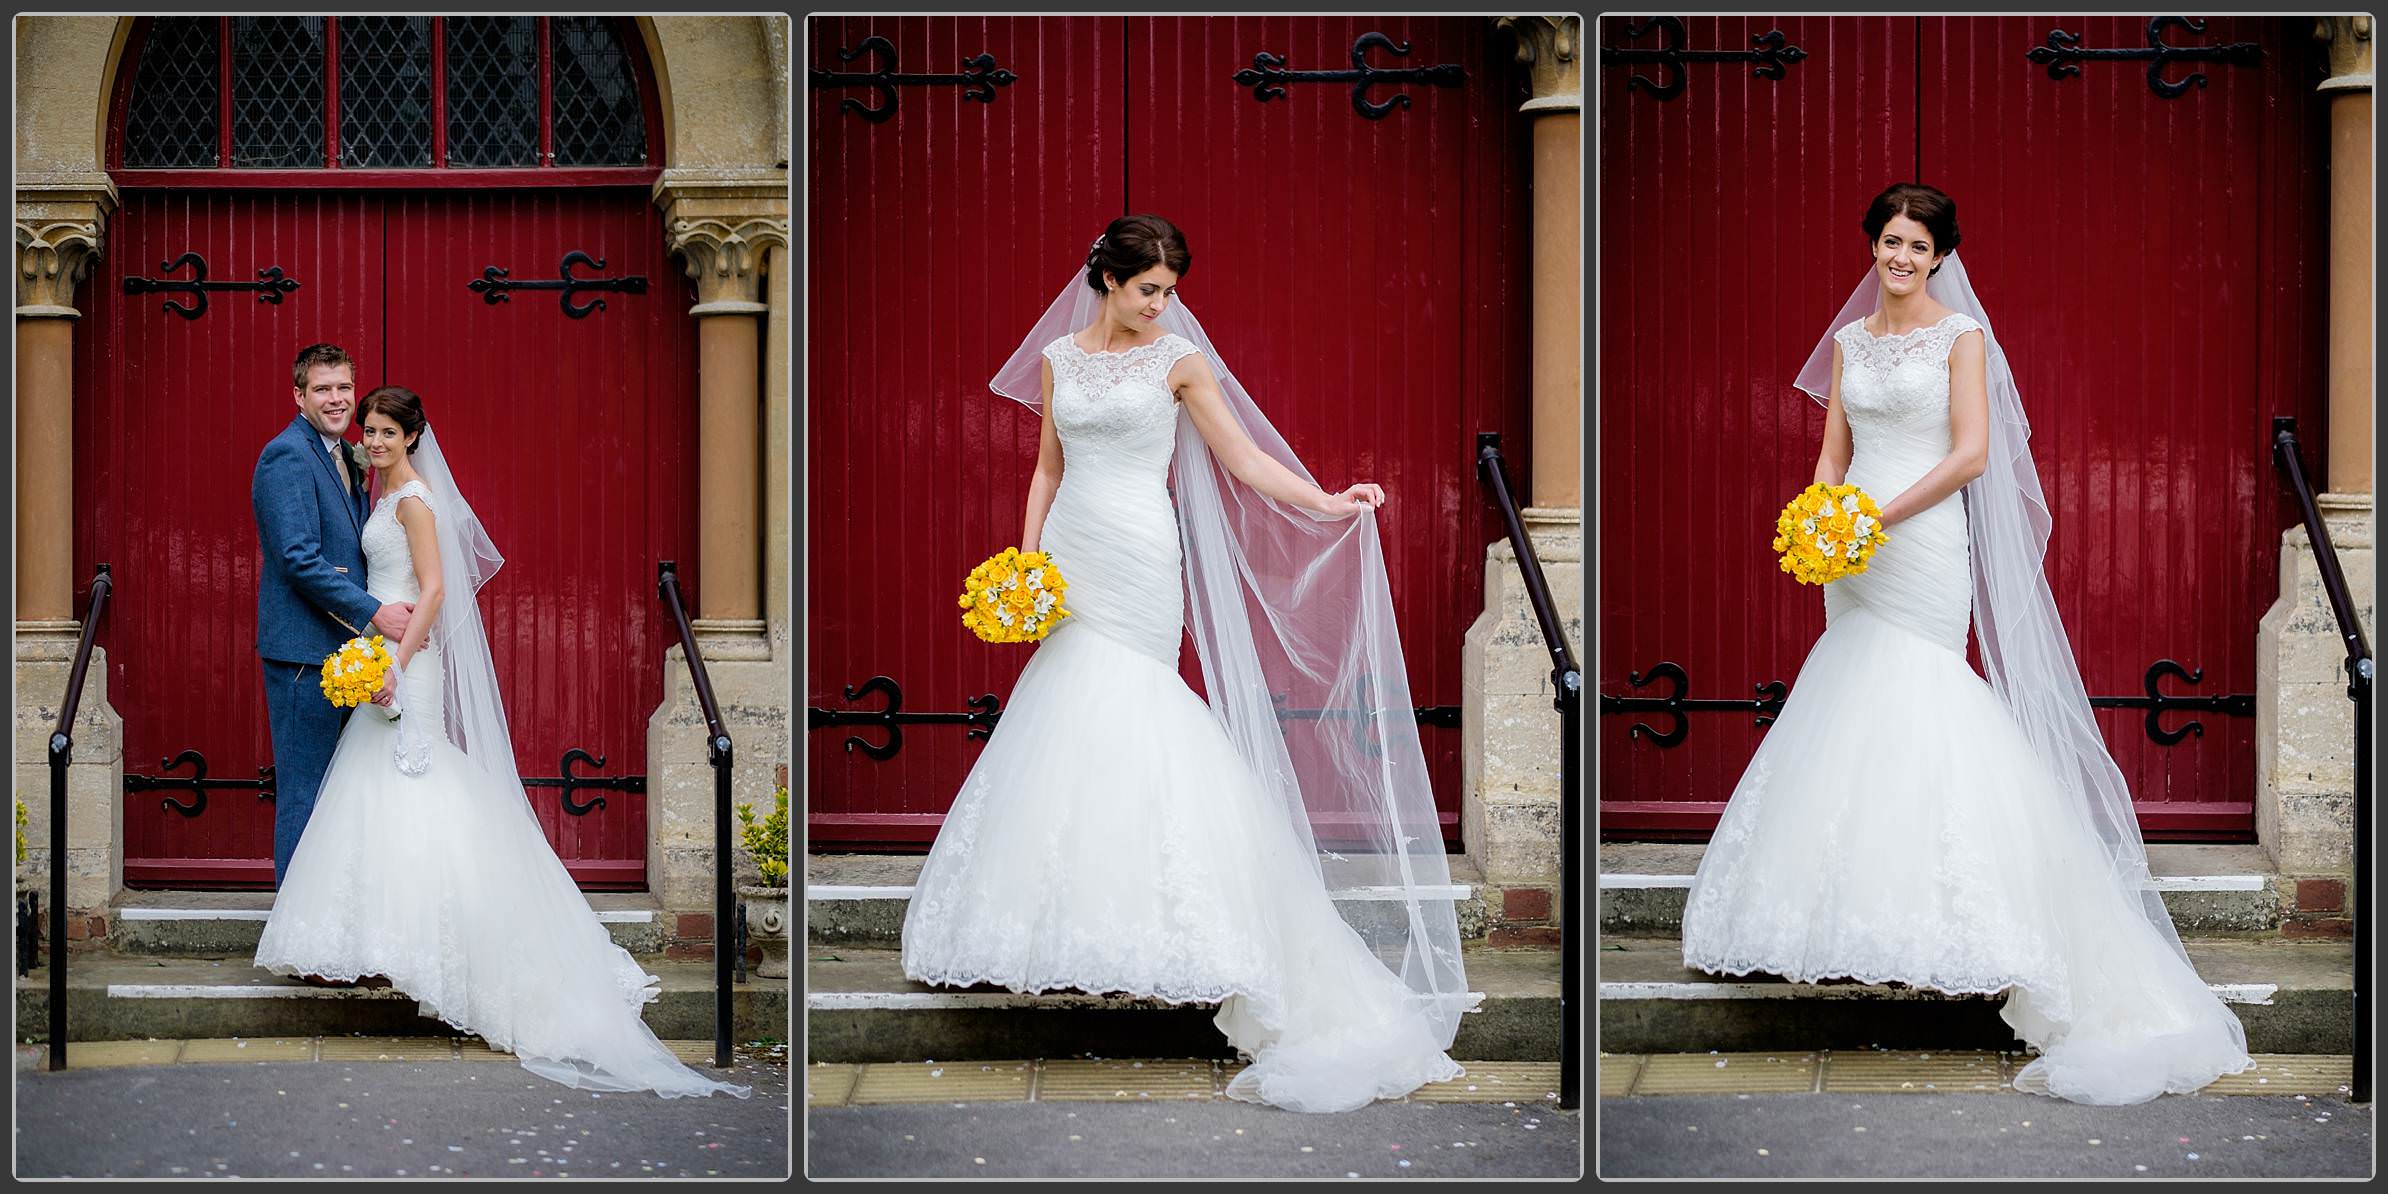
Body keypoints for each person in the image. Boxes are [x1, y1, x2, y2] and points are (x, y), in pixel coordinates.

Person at [1679, 182, 2255, 1105]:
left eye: (1917, 246)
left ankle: (1964, 917)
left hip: (1923, 535)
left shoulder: (1962, 337)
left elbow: (1972, 454)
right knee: (1850, 691)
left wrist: (1877, 514)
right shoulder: (1850, 343)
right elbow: (1834, 445)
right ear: (1871, 247)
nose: (1900, 258)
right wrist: (1827, 512)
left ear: (1942, 256)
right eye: (1888, 243)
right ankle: (1849, 917)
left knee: (1925, 691)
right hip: (1854, 543)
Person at [899, 215, 1481, 1114]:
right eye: (1148, 290)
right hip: (1072, 552)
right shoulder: (1060, 357)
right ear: (1107, 280)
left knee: (1135, 705)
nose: (1161, 304)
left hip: (1138, 553)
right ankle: (1064, 931)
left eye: (1168, 290)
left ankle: (1173, 929)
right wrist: (1027, 562)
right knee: (1066, 711)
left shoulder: (1176, 360)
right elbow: (1047, 467)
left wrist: (1329, 500)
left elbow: (1242, 457)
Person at [254, 385, 751, 1099]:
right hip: (381, 662)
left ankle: (444, 950)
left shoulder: (416, 500)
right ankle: (383, 945)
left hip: (405, 667)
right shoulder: (374, 491)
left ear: (414, 437)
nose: (375, 440)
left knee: (412, 792)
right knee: (380, 798)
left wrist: (393, 663)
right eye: (369, 430)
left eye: (388, 431)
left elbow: (435, 592)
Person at [251, 342, 414, 889]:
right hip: (302, 654)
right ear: (299, 395)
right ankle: (297, 937)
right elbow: (297, 558)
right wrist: (376, 613)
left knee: (341, 796)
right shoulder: (288, 454)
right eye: (322, 388)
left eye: (344, 387)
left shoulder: (346, 453)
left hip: (344, 652)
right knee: (304, 790)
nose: (337, 398)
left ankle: (334, 925)